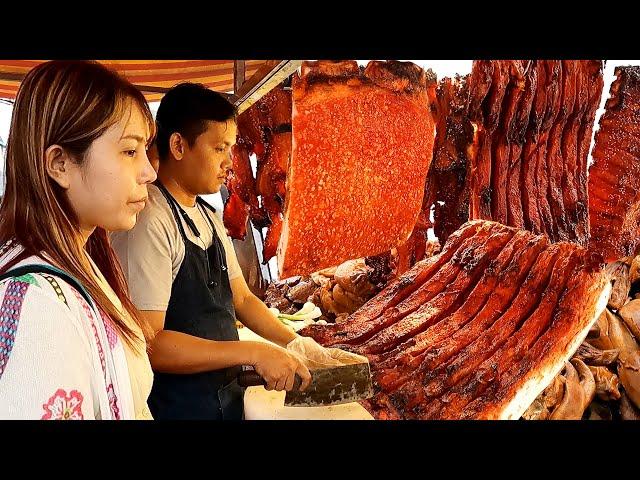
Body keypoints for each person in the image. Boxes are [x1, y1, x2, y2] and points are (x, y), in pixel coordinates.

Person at [110, 82, 317, 420]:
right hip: (176, 407)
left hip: (221, 400)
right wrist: (252, 351)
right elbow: (152, 343)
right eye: (220, 148)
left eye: (231, 148)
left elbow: (244, 299)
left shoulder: (208, 216)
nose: (229, 162)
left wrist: (294, 342)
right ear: (178, 145)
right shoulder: (150, 220)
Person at [0, 60, 157, 419]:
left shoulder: (83, 262)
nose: (148, 172)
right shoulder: (36, 309)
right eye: (130, 151)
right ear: (60, 165)